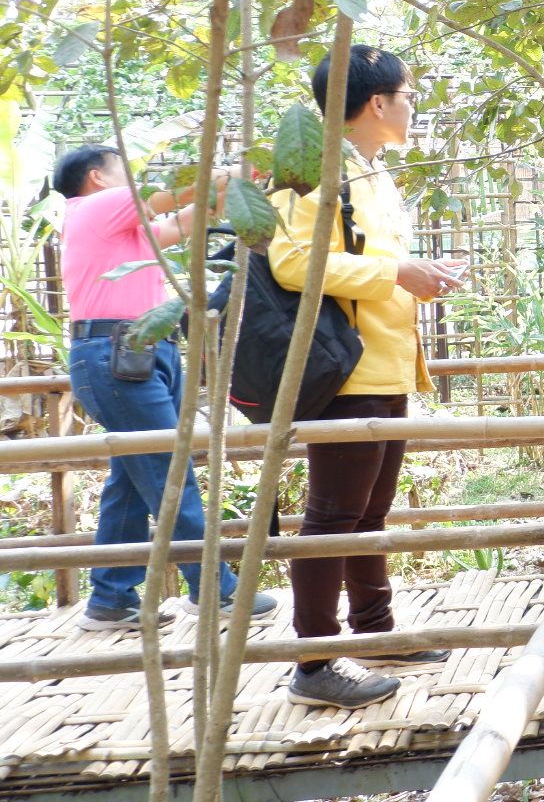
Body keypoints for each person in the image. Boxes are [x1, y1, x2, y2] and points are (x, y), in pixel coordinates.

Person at [268, 44, 461, 709]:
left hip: (383, 364)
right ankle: (313, 660)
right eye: (408, 94)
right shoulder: (315, 171)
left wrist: (415, 276)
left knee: (366, 511)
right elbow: (293, 263)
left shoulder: (371, 173)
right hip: (344, 369)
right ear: (376, 103)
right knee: (333, 515)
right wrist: (396, 274)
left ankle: (374, 631)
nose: (413, 107)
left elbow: (372, 261)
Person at [54, 150, 281, 632]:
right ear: (97, 178)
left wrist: (234, 187)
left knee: (134, 478)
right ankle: (213, 589)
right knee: (169, 469)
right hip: (117, 353)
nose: (133, 180)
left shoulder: (123, 231)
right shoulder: (95, 208)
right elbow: (185, 194)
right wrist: (242, 171)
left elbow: (186, 218)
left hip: (135, 351)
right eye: (123, 171)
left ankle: (111, 598)